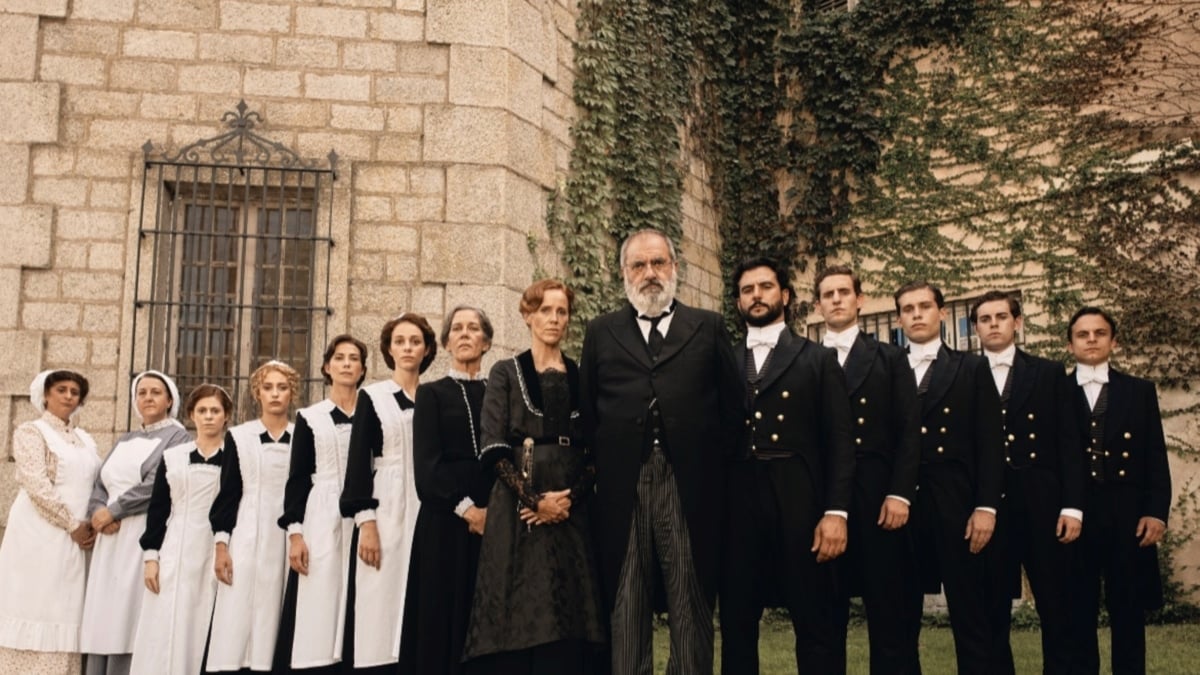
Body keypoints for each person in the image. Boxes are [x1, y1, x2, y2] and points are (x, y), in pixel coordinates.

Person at [579, 228, 743, 675]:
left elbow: (733, 412)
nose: (649, 273)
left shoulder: (707, 327)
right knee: (627, 600)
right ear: (623, 273)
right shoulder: (601, 331)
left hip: (688, 486)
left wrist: (709, 473)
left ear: (674, 267)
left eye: (658, 263)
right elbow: (589, 411)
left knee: (690, 599)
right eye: (639, 265)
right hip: (622, 487)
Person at [719, 258, 856, 674]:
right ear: (739, 301)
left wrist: (835, 512)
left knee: (816, 620)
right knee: (738, 624)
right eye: (747, 289)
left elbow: (840, 441)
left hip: (800, 498)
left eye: (765, 286)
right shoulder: (722, 360)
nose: (756, 295)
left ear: (786, 296)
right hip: (738, 501)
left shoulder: (816, 359)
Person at [463, 279, 607, 674]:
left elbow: (595, 452)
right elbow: (492, 447)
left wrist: (567, 501)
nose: (554, 319)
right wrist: (534, 501)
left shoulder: (580, 375)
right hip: (517, 510)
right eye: (545, 310)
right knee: (521, 613)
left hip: (571, 508)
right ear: (527, 316)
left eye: (561, 311)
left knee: (571, 617)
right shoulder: (505, 372)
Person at [894, 281, 1010, 674]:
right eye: (908, 309)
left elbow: (991, 442)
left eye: (924, 306)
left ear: (941, 313)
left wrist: (986, 506)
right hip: (901, 504)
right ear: (898, 319)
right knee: (899, 618)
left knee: (970, 614)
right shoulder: (888, 368)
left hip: (957, 502)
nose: (917, 314)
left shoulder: (972, 367)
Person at [814, 265, 923, 674]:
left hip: (879, 499)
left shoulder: (890, 358)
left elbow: (909, 431)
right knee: (826, 616)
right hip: (826, 502)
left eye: (844, 292)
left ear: (860, 300)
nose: (837, 299)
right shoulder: (807, 359)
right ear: (818, 305)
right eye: (828, 294)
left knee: (890, 614)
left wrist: (900, 493)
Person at [970, 291, 1084, 674]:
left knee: (1056, 605)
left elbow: (1068, 442)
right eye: (985, 319)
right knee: (991, 609)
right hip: (988, 506)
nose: (994, 324)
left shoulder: (1048, 372)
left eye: (1001, 316)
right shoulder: (964, 373)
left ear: (1017, 322)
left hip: (1042, 501)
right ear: (976, 329)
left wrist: (1072, 506)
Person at [1065, 307, 1170, 675]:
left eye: (1099, 333)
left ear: (1114, 340)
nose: (1091, 339)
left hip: (1127, 515)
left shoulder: (1139, 391)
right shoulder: (1056, 391)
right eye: (1083, 334)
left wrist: (1156, 510)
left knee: (1127, 608)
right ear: (1070, 343)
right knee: (1078, 609)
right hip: (1075, 515)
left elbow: (1154, 455)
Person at [398, 306, 493, 675]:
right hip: (445, 519)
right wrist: (469, 511)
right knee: (440, 613)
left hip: (493, 521)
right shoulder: (432, 394)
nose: (465, 334)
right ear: (447, 341)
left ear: (486, 342)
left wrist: (492, 512)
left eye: (473, 329)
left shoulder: (497, 391)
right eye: (457, 329)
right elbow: (427, 466)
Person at [81, 370, 190, 675]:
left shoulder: (177, 436)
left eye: (156, 392)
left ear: (169, 400)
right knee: (104, 611)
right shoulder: (126, 438)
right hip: (109, 539)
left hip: (139, 533)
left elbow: (157, 484)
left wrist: (115, 510)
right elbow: (101, 481)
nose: (148, 398)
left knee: (128, 611)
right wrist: (98, 511)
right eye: (142, 392)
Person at [341, 316, 434, 672]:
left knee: (420, 588)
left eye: (415, 341)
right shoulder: (373, 396)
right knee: (380, 590)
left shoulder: (433, 395)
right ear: (389, 349)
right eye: (400, 341)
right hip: (387, 500)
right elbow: (359, 461)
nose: (408, 347)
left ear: (426, 349)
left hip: (425, 502)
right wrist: (366, 522)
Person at [275, 335, 368, 673]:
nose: (346, 363)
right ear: (327, 367)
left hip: (365, 514)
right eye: (339, 358)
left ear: (362, 369)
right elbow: (298, 477)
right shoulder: (310, 418)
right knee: (320, 595)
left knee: (360, 595)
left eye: (353, 358)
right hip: (322, 513)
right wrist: (295, 534)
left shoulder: (371, 415)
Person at [0, 370, 100, 675]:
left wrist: (92, 522)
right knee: (36, 604)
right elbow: (37, 485)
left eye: (74, 391)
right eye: (61, 389)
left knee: (66, 608)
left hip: (76, 538)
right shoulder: (32, 431)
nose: (69, 396)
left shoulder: (85, 439)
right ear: (45, 395)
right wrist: (72, 524)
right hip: (39, 533)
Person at [130, 383, 233, 675]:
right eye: (202, 410)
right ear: (191, 415)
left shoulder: (233, 460)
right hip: (174, 546)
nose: (209, 416)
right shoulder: (172, 457)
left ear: (226, 416)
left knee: (203, 618)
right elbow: (159, 509)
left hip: (214, 546)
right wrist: (151, 557)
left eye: (216, 410)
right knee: (166, 619)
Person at [207, 361, 299, 672]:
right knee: (239, 610)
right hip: (247, 530)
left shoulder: (302, 436)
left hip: (288, 533)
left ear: (292, 393)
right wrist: (222, 546)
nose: (275, 394)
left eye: (282, 388)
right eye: (268, 387)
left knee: (279, 607)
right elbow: (228, 492)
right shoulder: (239, 436)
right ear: (257, 393)